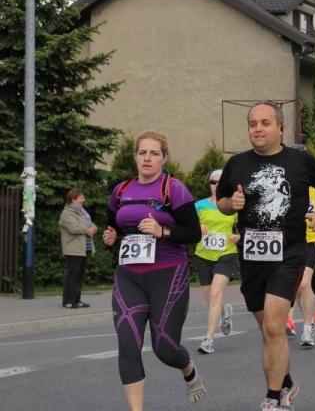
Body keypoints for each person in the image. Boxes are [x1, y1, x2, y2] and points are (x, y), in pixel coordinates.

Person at [217, 102, 315, 411]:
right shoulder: (237, 163)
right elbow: (222, 203)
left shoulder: (300, 160)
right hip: (252, 255)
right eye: (253, 123)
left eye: (265, 123)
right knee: (267, 329)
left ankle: (273, 398)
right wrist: (232, 203)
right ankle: (286, 383)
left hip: (289, 252)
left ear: (280, 128)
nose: (258, 128)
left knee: (273, 326)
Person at [101, 131, 206, 410]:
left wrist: (163, 231)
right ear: (135, 156)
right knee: (128, 344)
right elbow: (114, 225)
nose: (147, 158)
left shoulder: (173, 189)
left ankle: (188, 369)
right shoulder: (121, 190)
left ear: (164, 158)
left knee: (165, 348)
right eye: (142, 152)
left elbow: (193, 233)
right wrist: (111, 236)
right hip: (129, 275)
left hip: (167, 273)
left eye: (154, 153)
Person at [195, 169, 240, 355]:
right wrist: (197, 227)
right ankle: (224, 313)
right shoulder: (199, 206)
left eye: (221, 182)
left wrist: (239, 236)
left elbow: (244, 228)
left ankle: (208, 340)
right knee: (210, 298)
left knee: (215, 295)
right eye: (214, 182)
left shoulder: (234, 206)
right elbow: (187, 227)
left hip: (226, 254)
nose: (217, 185)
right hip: (204, 256)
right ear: (209, 185)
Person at [285, 186, 315, 347]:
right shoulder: (290, 184)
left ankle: (307, 330)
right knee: (297, 286)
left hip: (313, 239)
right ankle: (311, 323)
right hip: (294, 240)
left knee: (305, 283)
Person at [59, 189, 97, 309]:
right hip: (73, 248)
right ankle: (68, 301)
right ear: (73, 199)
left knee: (79, 276)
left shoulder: (83, 212)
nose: (83, 200)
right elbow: (73, 228)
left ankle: (77, 299)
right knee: (72, 276)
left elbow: (92, 225)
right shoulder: (67, 213)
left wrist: (92, 229)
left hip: (83, 248)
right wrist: (87, 230)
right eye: (81, 198)